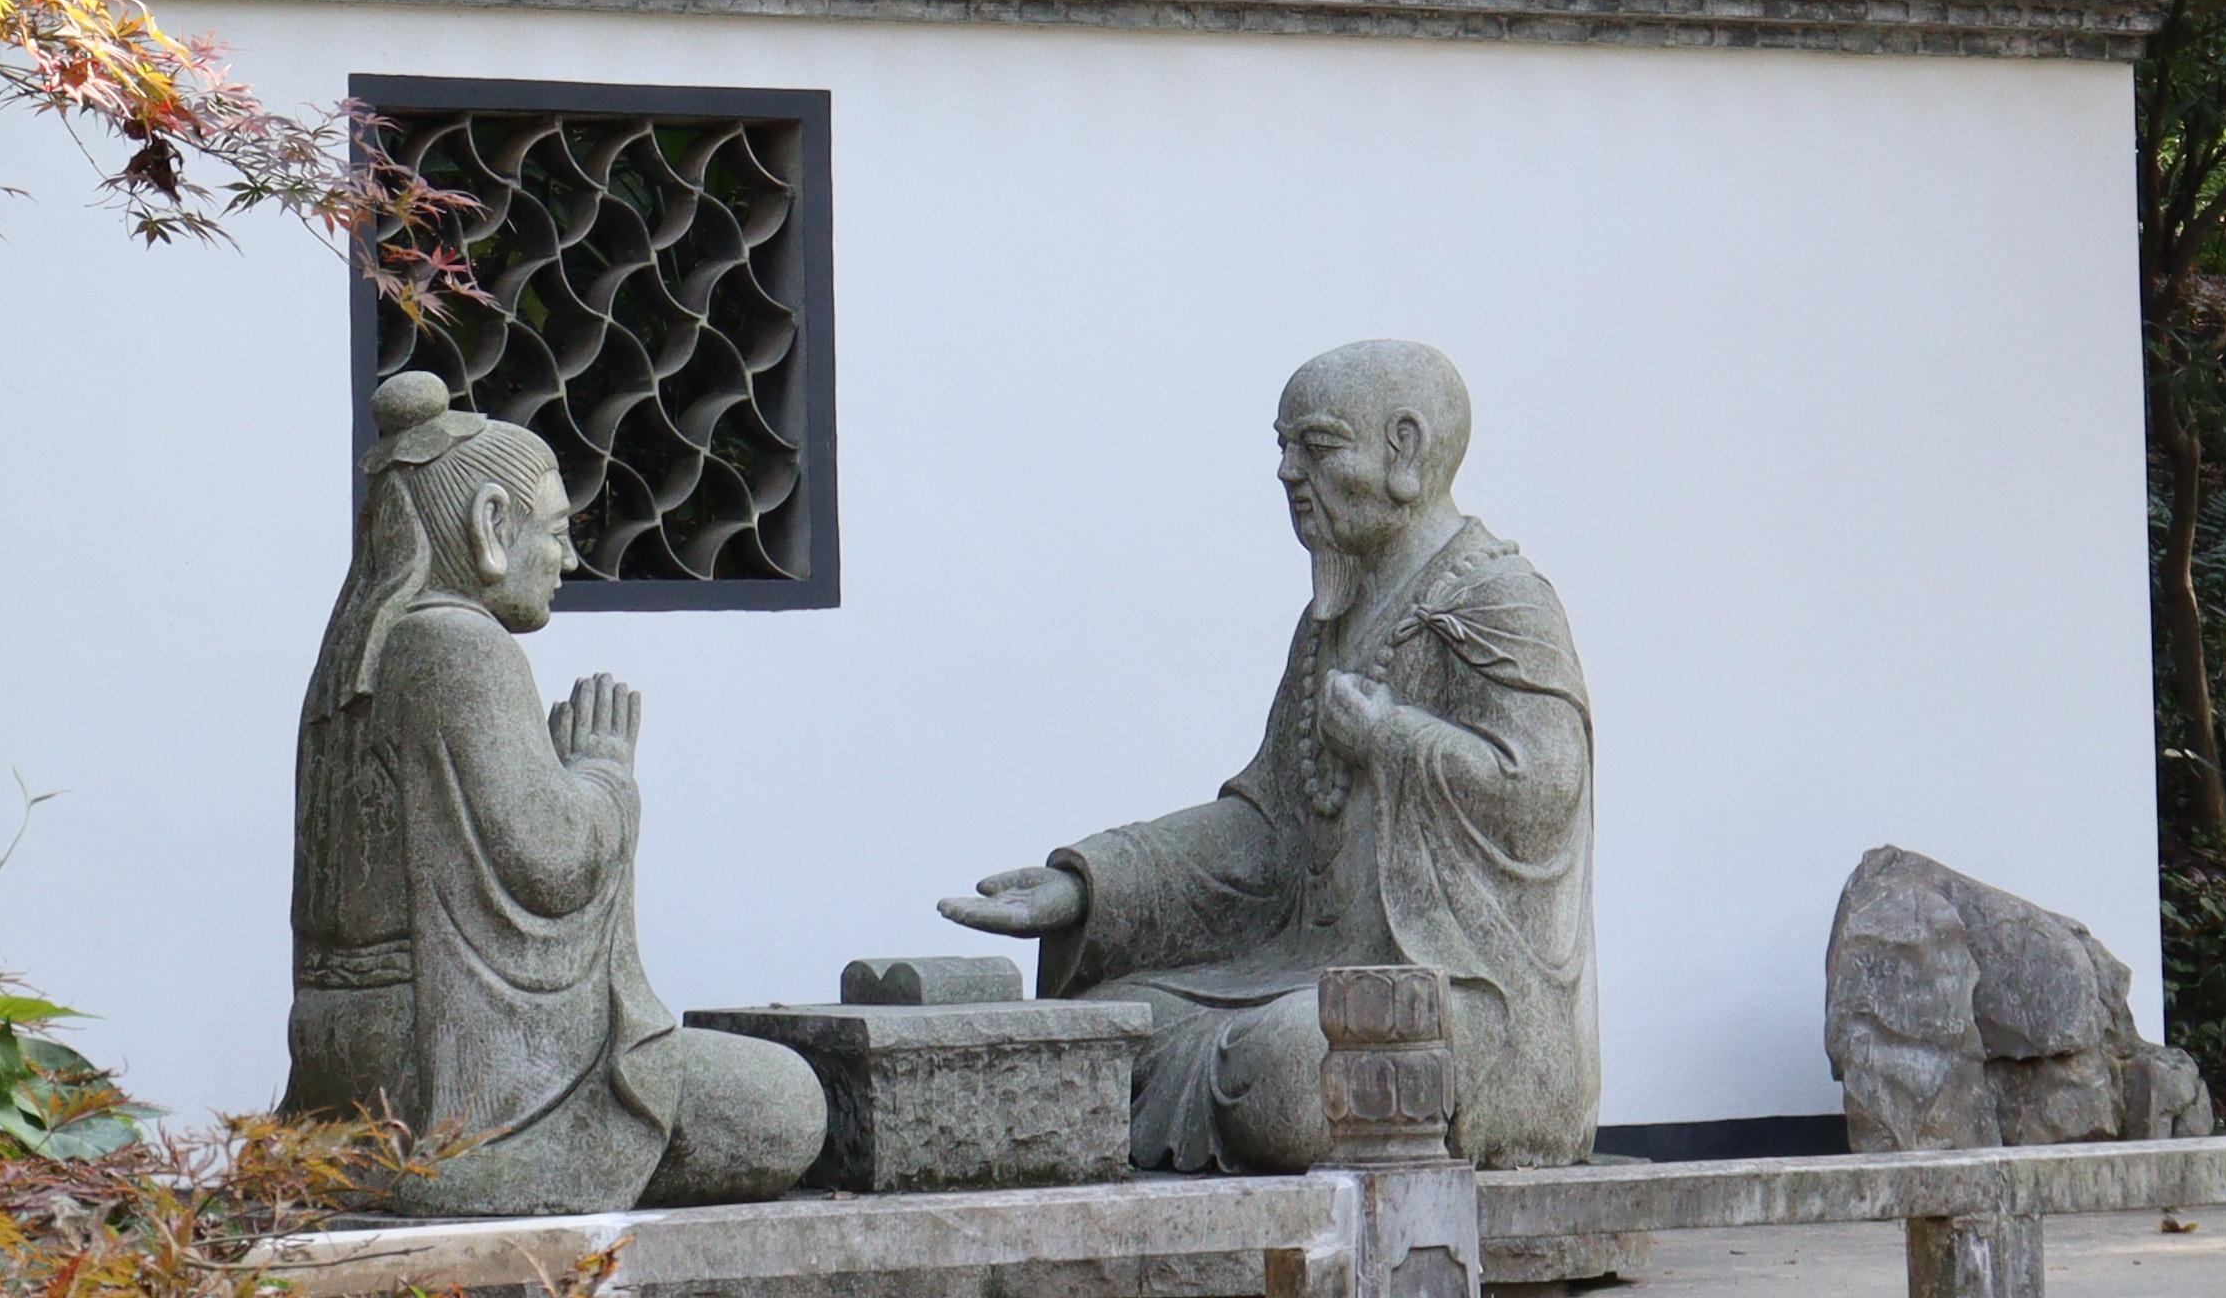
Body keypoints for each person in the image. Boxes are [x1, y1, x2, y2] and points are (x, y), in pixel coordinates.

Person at [946, 340, 1598, 1170]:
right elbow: (1265, 831)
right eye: (1283, 449)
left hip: (1462, 994)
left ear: (1404, 451)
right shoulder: (1329, 624)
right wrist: (1090, 884)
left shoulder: (1497, 599)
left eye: (1317, 446)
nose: (1290, 473)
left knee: (1292, 1071)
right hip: (1308, 975)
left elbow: (1543, 788)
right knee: (1108, 1025)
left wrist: (1388, 737)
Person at [287, 372, 821, 1214]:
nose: (568, 559)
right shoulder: (459, 646)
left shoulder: (352, 655)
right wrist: (605, 775)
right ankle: (476, 1166)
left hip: (337, 1048)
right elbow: (551, 864)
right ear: (491, 525)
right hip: (444, 1059)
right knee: (785, 1104)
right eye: (557, 529)